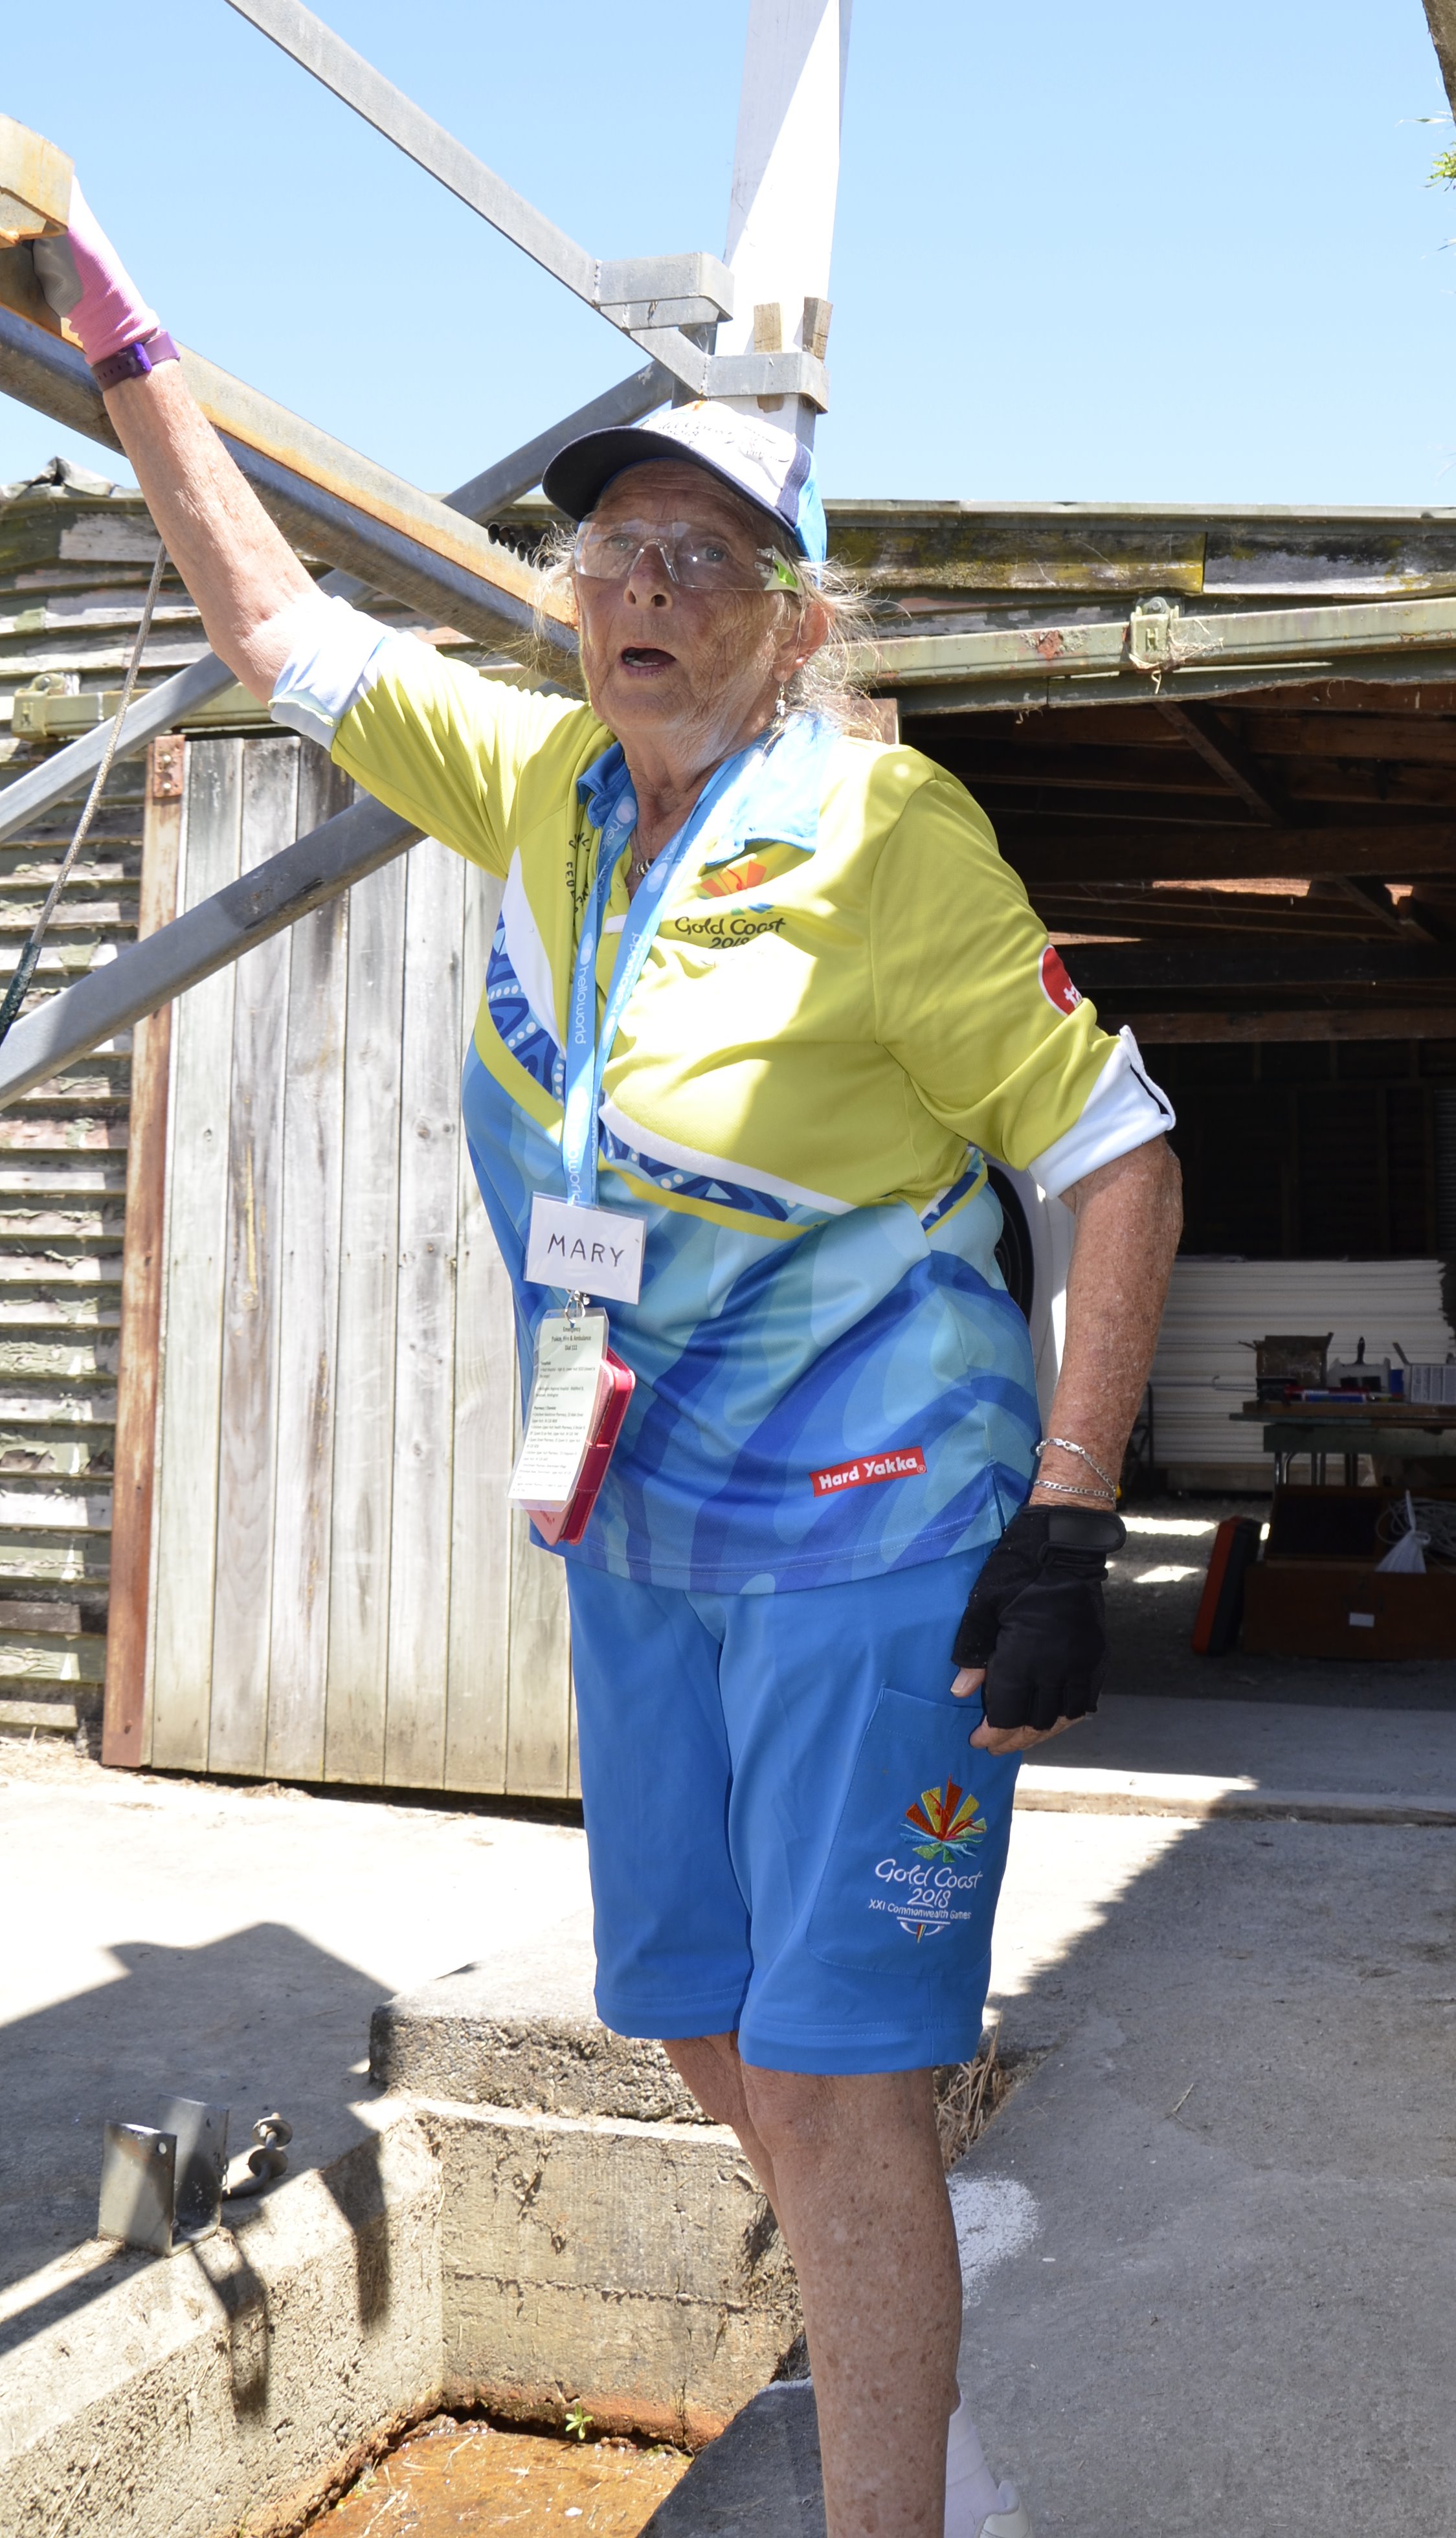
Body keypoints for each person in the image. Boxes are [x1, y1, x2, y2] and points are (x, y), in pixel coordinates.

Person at [31, 186, 1182, 2538]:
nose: (644, 590)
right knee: (688, 2009)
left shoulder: (880, 835)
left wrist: (1071, 1515)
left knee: (839, 2076)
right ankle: (914, 2386)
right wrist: (120, 328)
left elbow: (1116, 1152)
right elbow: (272, 625)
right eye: (613, 551)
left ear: (791, 624)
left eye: (703, 562)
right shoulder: (546, 789)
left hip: (878, 1544)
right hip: (635, 1530)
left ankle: (898, 2497)